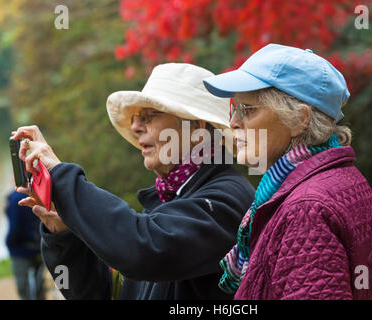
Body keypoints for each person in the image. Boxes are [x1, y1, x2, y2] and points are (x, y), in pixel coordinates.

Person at [13, 63, 255, 300]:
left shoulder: (228, 198)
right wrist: (64, 233)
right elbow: (96, 294)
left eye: (149, 116)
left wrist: (60, 175)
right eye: (137, 117)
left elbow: (144, 250)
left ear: (197, 128)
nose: (135, 126)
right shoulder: (169, 199)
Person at [203, 44, 372, 299]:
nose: (233, 123)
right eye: (233, 109)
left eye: (247, 110)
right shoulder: (337, 177)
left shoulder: (306, 207)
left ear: (299, 119)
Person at [5, 189, 46, 300]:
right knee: (40, 286)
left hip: (20, 250)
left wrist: (9, 243)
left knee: (23, 287)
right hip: (40, 246)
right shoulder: (41, 192)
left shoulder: (15, 199)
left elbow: (15, 228)